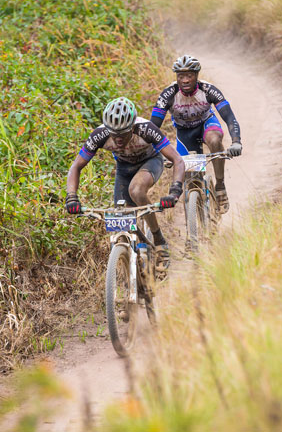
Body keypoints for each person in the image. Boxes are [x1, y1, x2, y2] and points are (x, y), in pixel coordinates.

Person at [66, 97, 185, 271]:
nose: (118, 139)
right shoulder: (100, 135)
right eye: (114, 134)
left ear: (133, 127)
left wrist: (175, 191)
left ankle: (159, 240)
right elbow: (76, 166)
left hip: (150, 161)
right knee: (122, 218)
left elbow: (177, 160)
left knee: (136, 190)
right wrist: (71, 197)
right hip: (124, 168)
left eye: (123, 134)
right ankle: (138, 268)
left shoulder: (146, 129)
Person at [150, 54, 242, 214]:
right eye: (181, 76)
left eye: (189, 76)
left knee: (214, 140)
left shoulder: (208, 90)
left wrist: (236, 141)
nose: (185, 80)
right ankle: (195, 225)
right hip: (185, 133)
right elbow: (152, 128)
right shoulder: (168, 94)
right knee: (191, 181)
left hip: (207, 125)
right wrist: (154, 152)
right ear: (176, 77)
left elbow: (229, 117)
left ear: (197, 76)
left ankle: (220, 185)